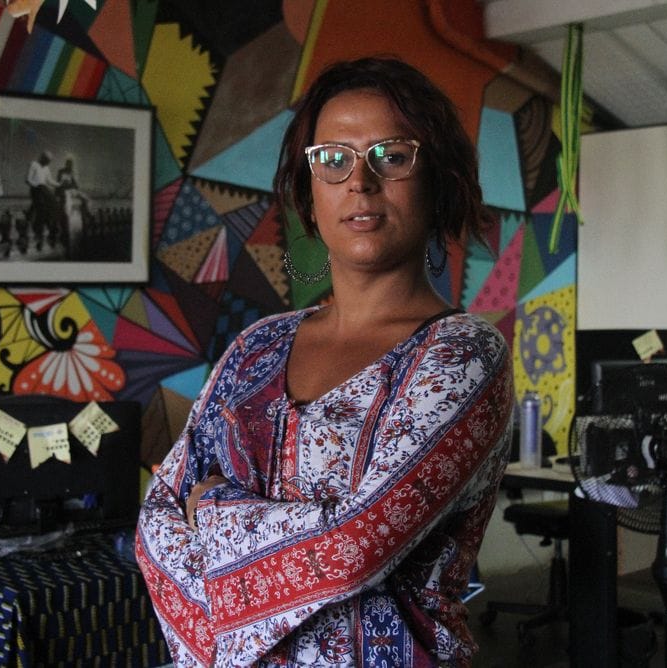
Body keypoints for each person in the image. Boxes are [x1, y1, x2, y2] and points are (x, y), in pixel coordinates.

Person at [135, 57, 514, 668]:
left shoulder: (462, 354)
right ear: (309, 197)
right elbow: (157, 523)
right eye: (333, 159)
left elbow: (352, 549)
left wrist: (211, 508)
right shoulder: (256, 347)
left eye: (392, 155)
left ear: (437, 182)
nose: (360, 181)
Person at [25, 150, 59, 245]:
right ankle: (38, 231)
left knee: (54, 204)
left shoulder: (46, 168)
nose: (48, 163)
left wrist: (59, 184)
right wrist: (37, 186)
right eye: (47, 161)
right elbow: (28, 179)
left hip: (43, 190)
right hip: (36, 189)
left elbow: (50, 180)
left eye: (49, 161)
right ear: (42, 158)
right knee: (41, 208)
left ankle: (51, 229)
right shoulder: (34, 164)